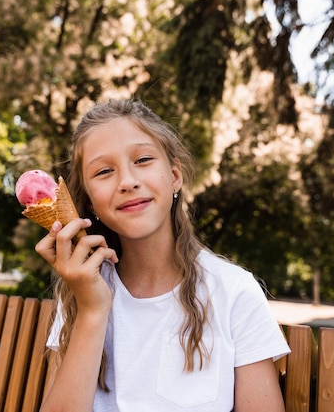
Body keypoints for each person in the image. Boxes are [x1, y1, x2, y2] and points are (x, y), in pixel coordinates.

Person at [35, 99, 290, 412]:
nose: (127, 181)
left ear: (174, 176)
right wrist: (92, 309)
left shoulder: (233, 292)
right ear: (87, 202)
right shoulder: (82, 290)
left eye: (142, 159)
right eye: (104, 171)